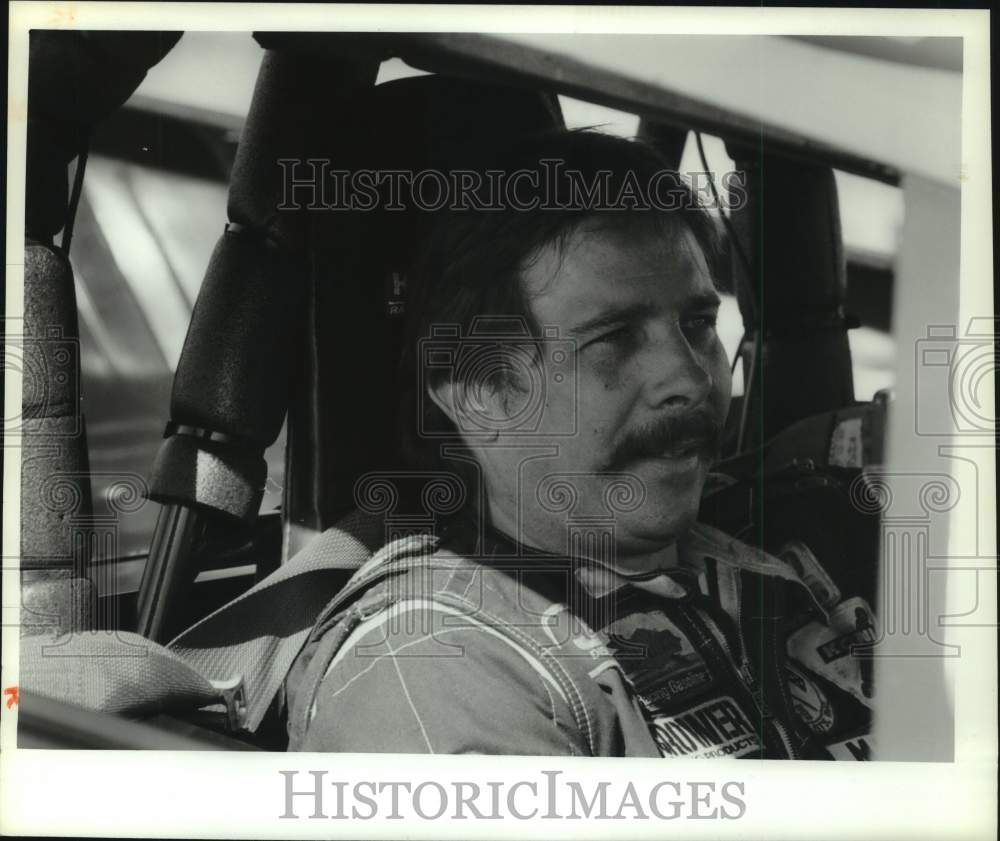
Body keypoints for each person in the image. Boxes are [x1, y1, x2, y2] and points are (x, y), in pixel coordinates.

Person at [281, 130, 876, 759]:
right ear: (480, 393)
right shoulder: (433, 668)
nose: (690, 378)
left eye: (698, 324)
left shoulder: (811, 526)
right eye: (614, 338)